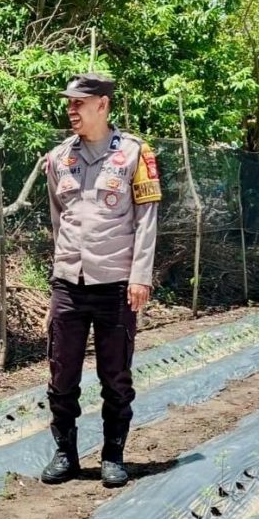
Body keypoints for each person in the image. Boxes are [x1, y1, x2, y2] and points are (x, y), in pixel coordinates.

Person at [40, 73, 161, 487]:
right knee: (61, 375)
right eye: (69, 103)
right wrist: (58, 272)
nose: (71, 110)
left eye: (79, 103)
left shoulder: (134, 154)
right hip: (69, 284)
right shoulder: (58, 158)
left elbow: (146, 220)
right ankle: (66, 454)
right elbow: (58, 221)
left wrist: (140, 276)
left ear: (102, 105)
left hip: (116, 284)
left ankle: (113, 455)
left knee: (116, 377)